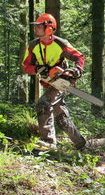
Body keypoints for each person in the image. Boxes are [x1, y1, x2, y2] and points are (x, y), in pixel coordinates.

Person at [22, 13, 86, 150]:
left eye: (39, 26)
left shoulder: (60, 44)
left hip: (61, 80)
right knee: (61, 118)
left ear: (49, 28)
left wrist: (77, 69)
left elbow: (79, 57)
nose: (36, 29)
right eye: (36, 26)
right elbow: (26, 66)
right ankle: (80, 143)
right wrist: (38, 68)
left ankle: (49, 143)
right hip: (48, 81)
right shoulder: (33, 46)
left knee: (43, 104)